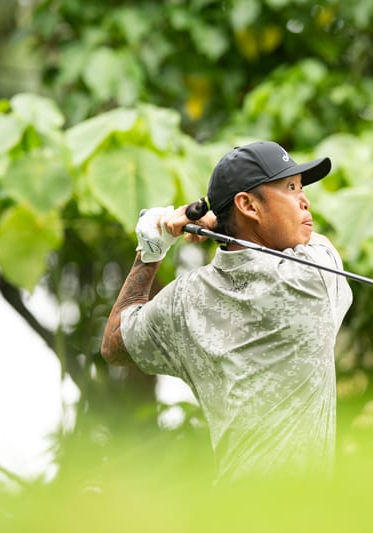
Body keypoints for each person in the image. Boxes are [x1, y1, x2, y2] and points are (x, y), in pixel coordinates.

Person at [100, 141, 353, 484]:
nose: (304, 200)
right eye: (290, 188)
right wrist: (220, 225)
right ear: (248, 204)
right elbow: (314, 241)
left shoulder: (184, 300)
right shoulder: (312, 278)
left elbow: (114, 343)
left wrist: (151, 249)